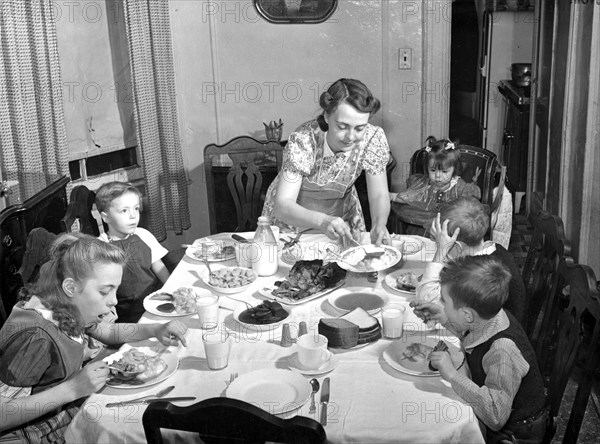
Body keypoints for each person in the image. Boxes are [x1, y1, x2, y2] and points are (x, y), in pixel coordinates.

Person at [0, 233, 187, 443]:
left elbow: (107, 332)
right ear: (71, 287)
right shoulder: (35, 336)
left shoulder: (68, 307)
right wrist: (73, 388)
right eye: (105, 291)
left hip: (66, 411)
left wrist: (154, 329)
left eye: (116, 290)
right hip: (38, 433)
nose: (114, 301)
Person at [410, 256, 547, 444]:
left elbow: (496, 416)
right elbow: (473, 331)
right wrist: (444, 317)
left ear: (466, 314)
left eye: (444, 301)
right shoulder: (491, 315)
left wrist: (451, 374)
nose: (441, 304)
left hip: (517, 433)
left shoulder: (502, 349)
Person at [261, 78, 392, 246]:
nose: (351, 137)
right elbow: (283, 205)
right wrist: (322, 221)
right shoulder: (304, 139)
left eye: (360, 128)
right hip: (292, 219)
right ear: (327, 116)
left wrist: (379, 225)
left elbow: (379, 194)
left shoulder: (373, 138)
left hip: (342, 220)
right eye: (342, 126)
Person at [416, 197, 526, 327]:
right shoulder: (492, 250)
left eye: (438, 243)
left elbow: (426, 302)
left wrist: (440, 253)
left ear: (456, 246)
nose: (437, 246)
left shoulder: (475, 274)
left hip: (487, 339)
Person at [95, 181, 170, 323]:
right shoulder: (100, 247)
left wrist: (171, 288)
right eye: (124, 211)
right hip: (128, 314)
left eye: (136, 209)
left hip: (156, 300)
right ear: (106, 218)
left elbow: (158, 266)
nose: (133, 216)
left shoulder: (143, 235)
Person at [389, 136, 481, 232]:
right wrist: (392, 197)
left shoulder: (460, 187)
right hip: (423, 226)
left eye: (444, 171)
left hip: (449, 230)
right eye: (432, 170)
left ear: (454, 170)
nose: (437, 176)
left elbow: (472, 204)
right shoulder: (426, 185)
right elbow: (409, 197)